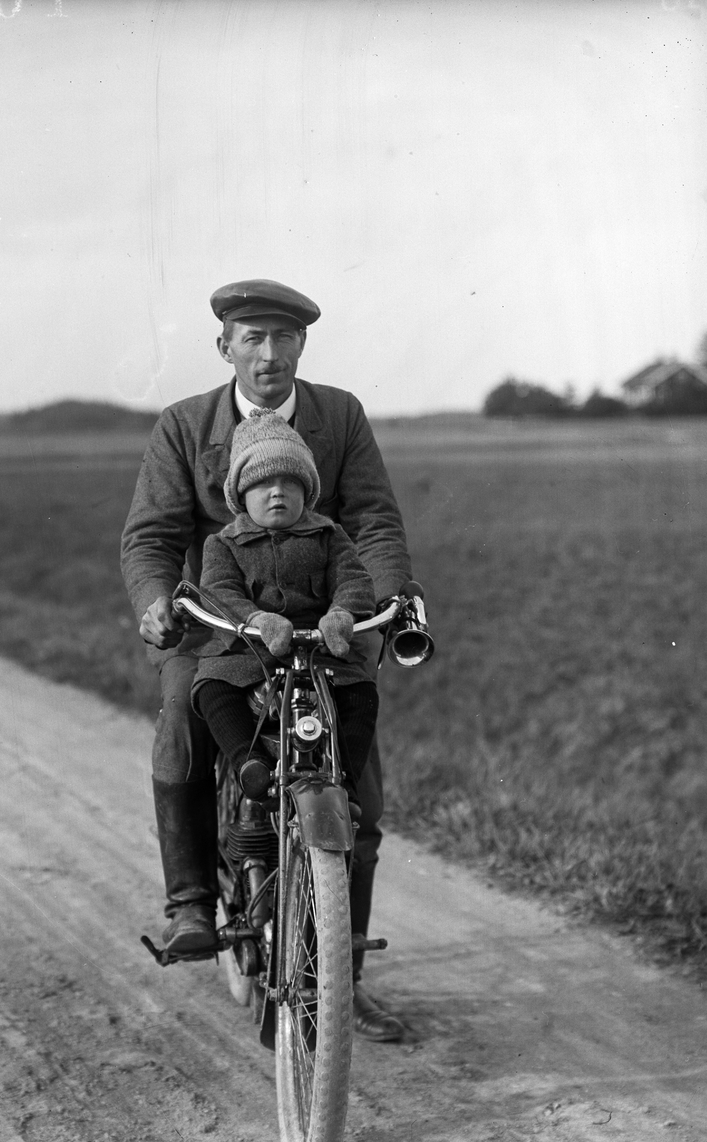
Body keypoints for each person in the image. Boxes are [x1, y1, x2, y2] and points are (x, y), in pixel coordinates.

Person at [121, 278, 415, 1041]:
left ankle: (340, 977)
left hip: (326, 627)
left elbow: (375, 522)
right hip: (218, 627)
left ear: (302, 347)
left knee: (360, 791)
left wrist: (377, 611)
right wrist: (157, 600)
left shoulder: (338, 416)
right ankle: (190, 899)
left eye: (284, 338)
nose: (270, 354)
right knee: (183, 724)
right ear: (225, 348)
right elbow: (152, 535)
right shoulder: (186, 426)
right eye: (252, 338)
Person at [192, 406, 380, 814]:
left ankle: (344, 782)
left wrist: (343, 614)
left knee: (361, 693)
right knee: (212, 689)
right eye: (262, 483)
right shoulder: (223, 544)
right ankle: (250, 764)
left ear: (307, 490)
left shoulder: (329, 536)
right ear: (240, 495)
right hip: (247, 653)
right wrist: (257, 620)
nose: (277, 492)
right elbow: (218, 591)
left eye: (289, 483)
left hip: (320, 649)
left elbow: (355, 579)